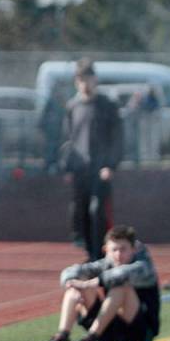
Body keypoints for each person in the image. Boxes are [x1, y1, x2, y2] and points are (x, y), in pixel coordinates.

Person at [34, 225, 159, 341]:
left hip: (138, 335)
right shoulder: (106, 263)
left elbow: (121, 274)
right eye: (114, 249)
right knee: (76, 286)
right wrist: (70, 282)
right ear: (106, 250)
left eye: (123, 249)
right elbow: (75, 270)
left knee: (121, 287)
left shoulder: (143, 267)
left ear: (133, 249)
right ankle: (61, 338)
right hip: (110, 333)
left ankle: (89, 340)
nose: (118, 254)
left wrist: (94, 282)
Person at [59, 58, 122, 262]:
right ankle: (89, 252)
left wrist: (111, 164)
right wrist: (67, 167)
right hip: (80, 170)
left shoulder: (107, 105)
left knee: (97, 211)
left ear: (94, 80)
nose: (84, 84)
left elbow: (117, 138)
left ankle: (100, 253)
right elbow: (68, 138)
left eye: (88, 79)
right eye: (80, 79)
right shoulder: (72, 106)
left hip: (100, 169)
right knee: (81, 212)